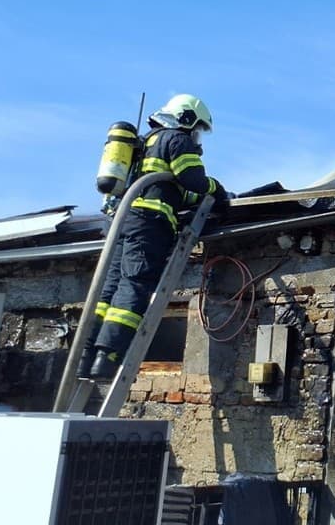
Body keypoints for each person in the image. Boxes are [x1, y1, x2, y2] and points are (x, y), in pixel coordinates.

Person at [79, 94, 230, 380]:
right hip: (149, 224)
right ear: (186, 119)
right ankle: (109, 356)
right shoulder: (176, 139)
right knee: (135, 285)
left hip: (121, 224)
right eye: (197, 128)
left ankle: (86, 358)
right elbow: (193, 180)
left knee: (107, 292)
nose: (197, 137)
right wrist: (217, 189)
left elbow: (177, 190)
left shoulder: (145, 144)